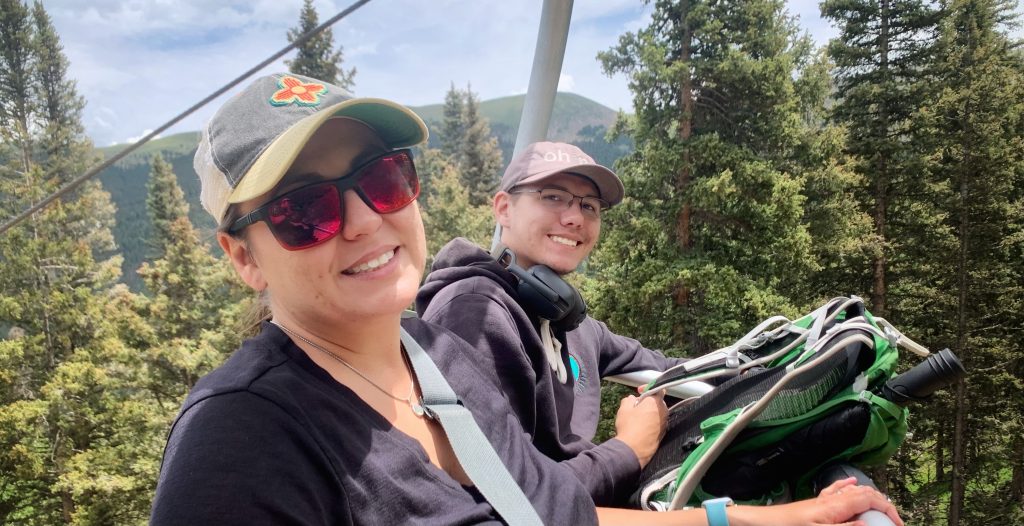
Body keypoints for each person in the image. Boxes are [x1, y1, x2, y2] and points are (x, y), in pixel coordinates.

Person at [150, 72, 903, 526]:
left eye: (382, 179)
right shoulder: (242, 439)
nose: (363, 220)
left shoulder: (435, 360)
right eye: (302, 211)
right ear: (245, 257)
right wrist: (630, 448)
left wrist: (785, 516)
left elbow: (561, 516)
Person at [416, 141, 687, 504]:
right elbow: (502, 496)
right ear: (504, 208)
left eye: (589, 205)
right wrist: (629, 448)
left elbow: (673, 369)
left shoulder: (571, 322)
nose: (575, 217)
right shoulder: (474, 314)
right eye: (553, 197)